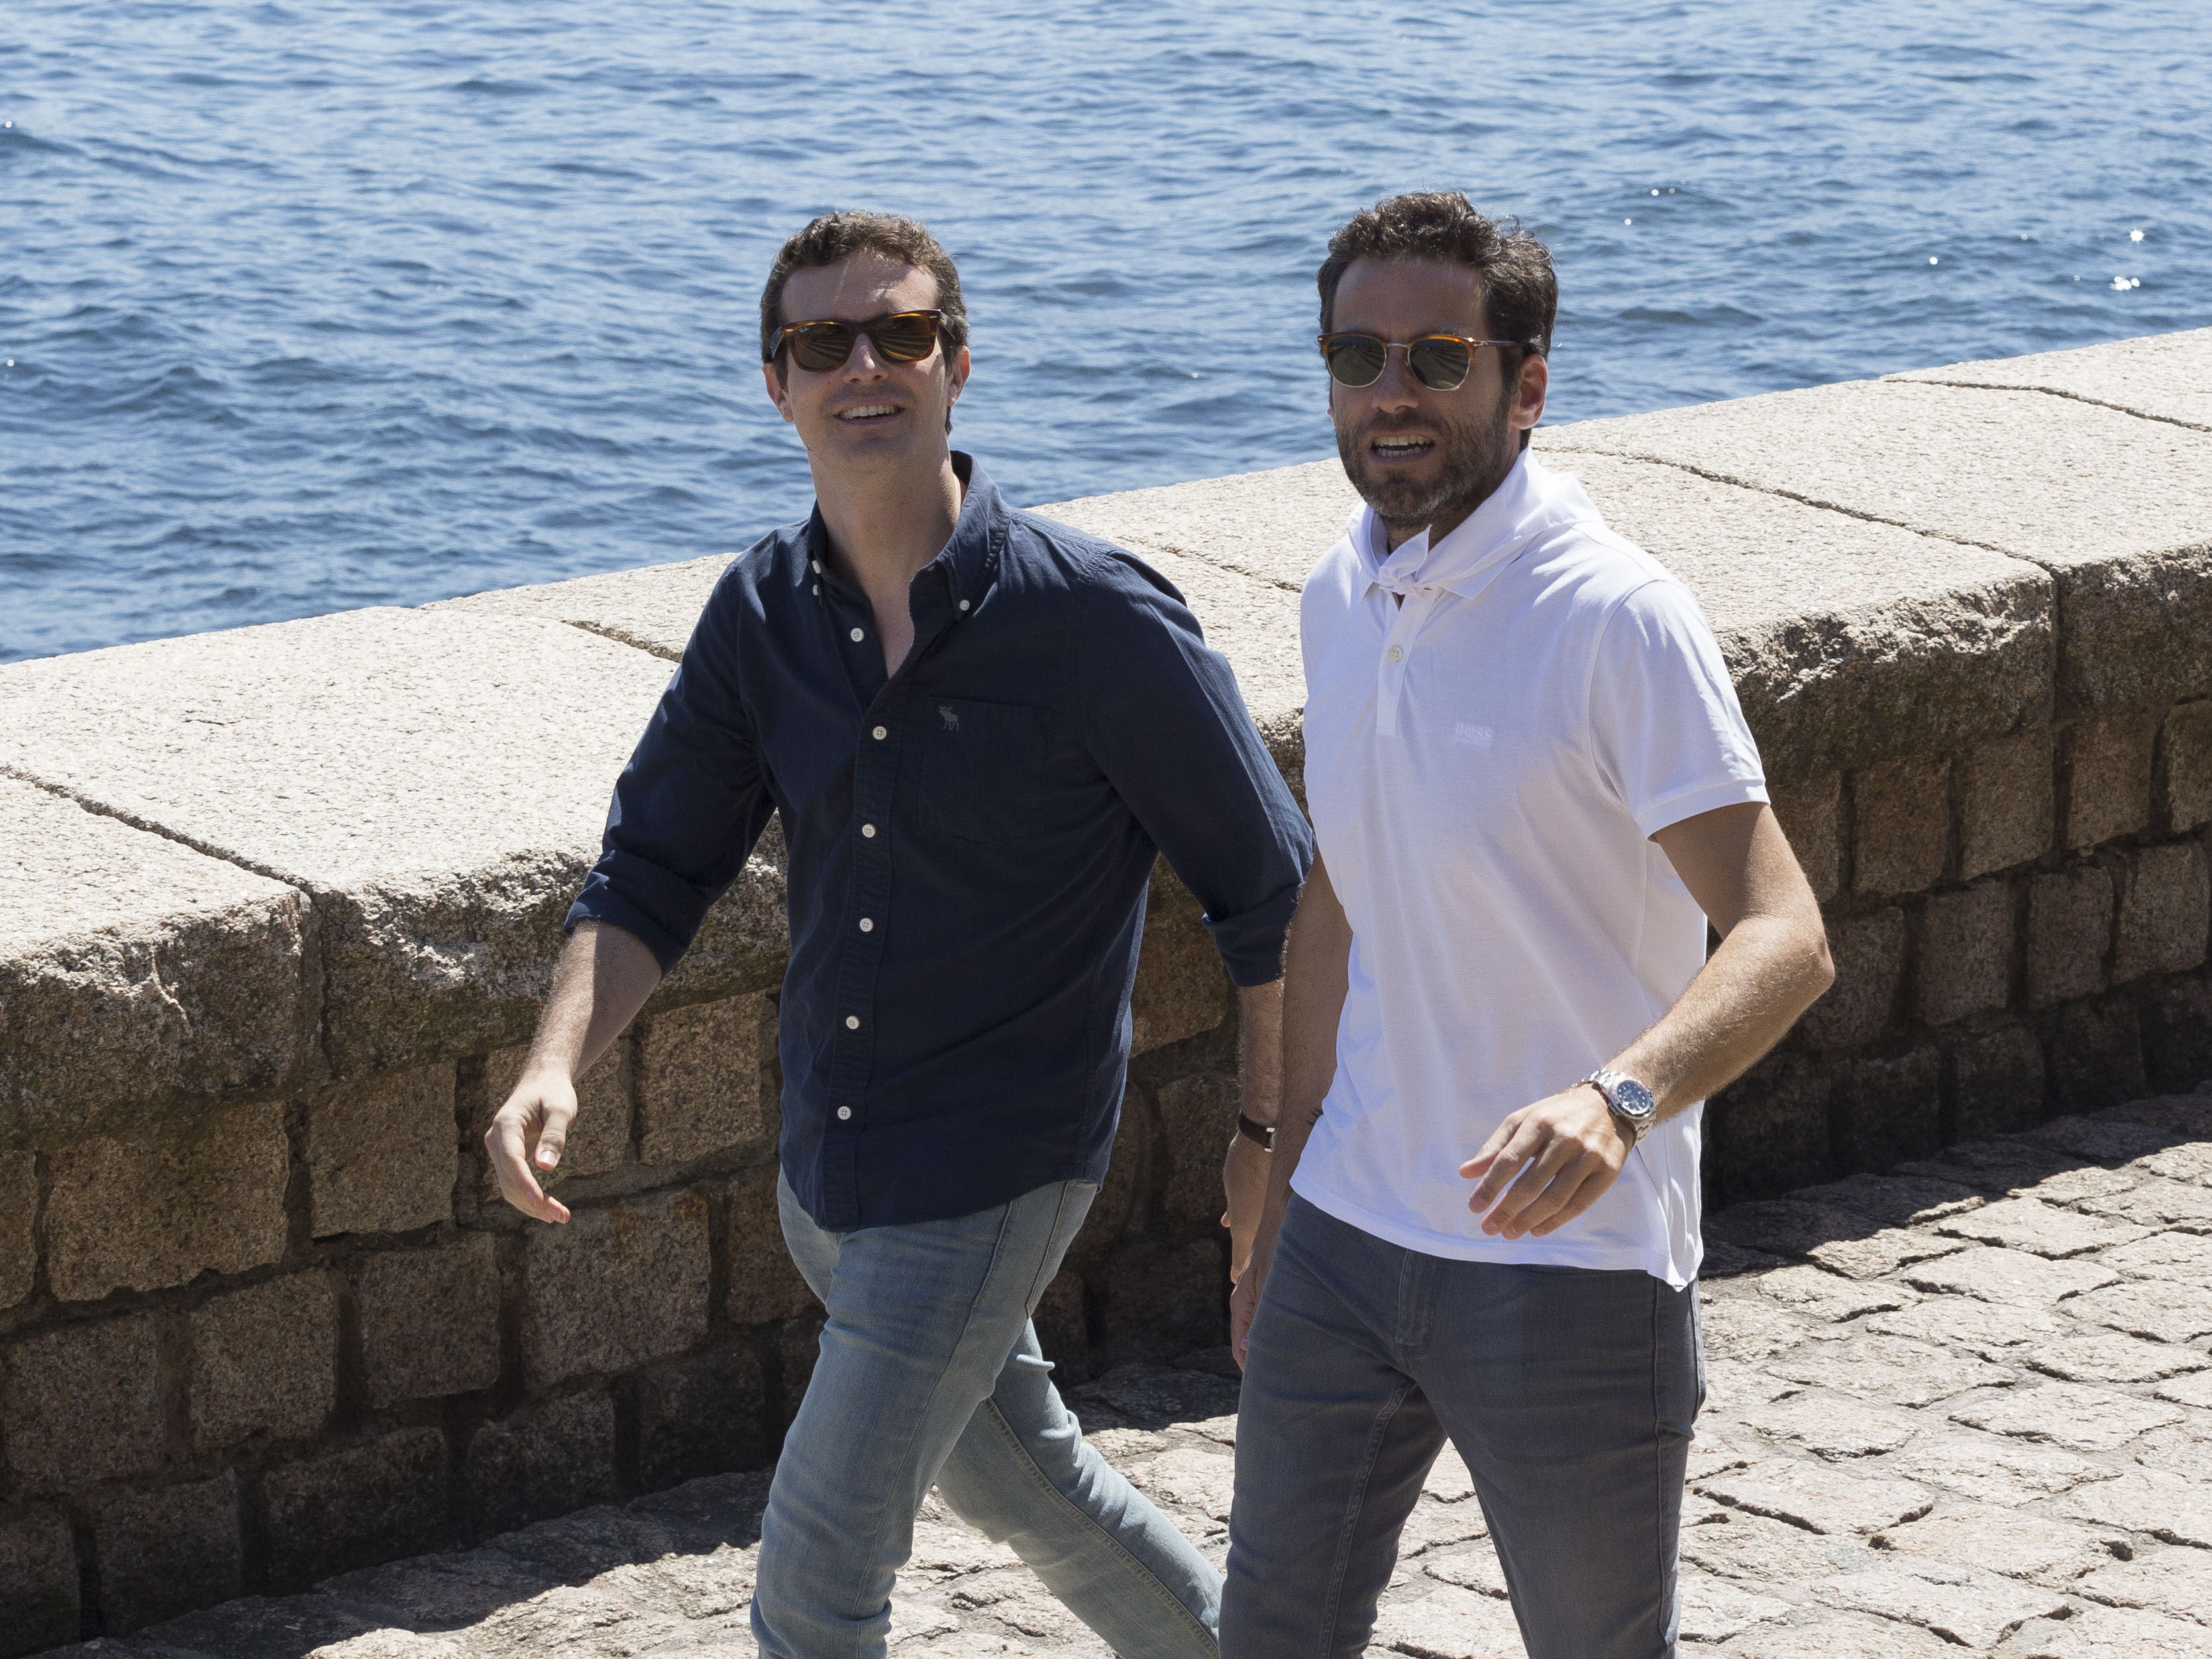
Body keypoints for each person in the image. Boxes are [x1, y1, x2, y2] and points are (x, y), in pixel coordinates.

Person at [486, 209, 1312, 1659]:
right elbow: (652, 871)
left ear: (957, 364)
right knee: (1039, 1494)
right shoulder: (761, 612)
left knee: (811, 1585)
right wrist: (554, 1063)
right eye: (823, 341)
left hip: (992, 1171)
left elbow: (1274, 901)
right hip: (828, 1173)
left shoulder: (1097, 621)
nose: (863, 364)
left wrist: (1264, 1142)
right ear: (777, 382)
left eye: (901, 333)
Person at [1222, 192, 1836, 1659]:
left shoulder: (1613, 616)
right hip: (1347, 1236)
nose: (1390, 393)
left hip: (1567, 1267)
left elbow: (1782, 932)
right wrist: (1276, 1172)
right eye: (1357, 355)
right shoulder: (1338, 589)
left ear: (1526, 383)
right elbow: (1336, 898)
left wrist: (1616, 1102)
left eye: (1438, 357)